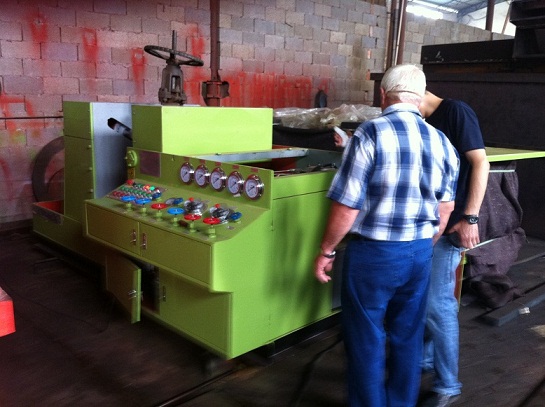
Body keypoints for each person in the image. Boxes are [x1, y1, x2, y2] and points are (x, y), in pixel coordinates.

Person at [313, 64, 460, 407]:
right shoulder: (442, 142)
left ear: (383, 95)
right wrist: (424, 244)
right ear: (420, 97)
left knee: (366, 337)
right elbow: (446, 208)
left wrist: (327, 251)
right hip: (420, 252)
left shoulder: (370, 133)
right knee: (408, 336)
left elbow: (347, 206)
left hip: (374, 255)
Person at [418, 91, 490, 407]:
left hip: (452, 225)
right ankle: (425, 359)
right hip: (430, 226)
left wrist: (470, 218)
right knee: (427, 298)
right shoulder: (425, 120)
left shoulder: (456, 112)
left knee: (438, 303)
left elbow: (481, 162)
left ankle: (448, 385)